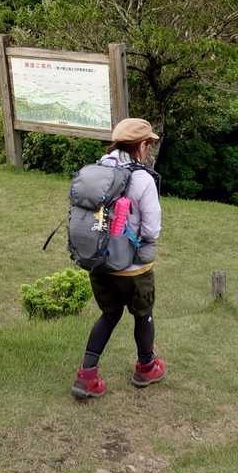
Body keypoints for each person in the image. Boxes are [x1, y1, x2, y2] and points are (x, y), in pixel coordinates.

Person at [71, 117, 165, 400]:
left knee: (110, 314)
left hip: (98, 261)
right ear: (141, 145)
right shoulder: (142, 178)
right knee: (143, 314)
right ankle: (146, 367)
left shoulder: (97, 171)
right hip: (132, 268)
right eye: (148, 144)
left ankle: (87, 376)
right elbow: (151, 229)